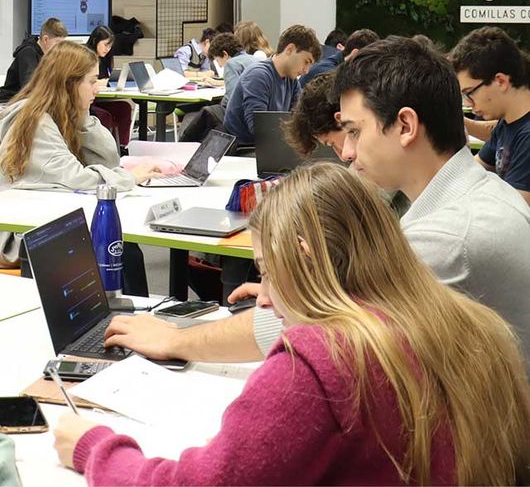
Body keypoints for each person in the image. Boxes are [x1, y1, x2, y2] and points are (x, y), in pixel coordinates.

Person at [55, 165, 530, 486]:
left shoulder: (322, 362)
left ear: (303, 256)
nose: (262, 295)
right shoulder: (470, 325)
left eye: (266, 269)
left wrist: (95, 449)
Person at [104, 36, 530, 369]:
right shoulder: (471, 196)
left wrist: (174, 339)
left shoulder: (447, 237)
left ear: (405, 125)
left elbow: (317, 331)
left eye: (356, 132)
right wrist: (298, 291)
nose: (346, 153)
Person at [0, 41, 160, 286]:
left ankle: (129, 315)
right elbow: (77, 178)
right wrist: (130, 177)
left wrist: (83, 115)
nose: (97, 87)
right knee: (119, 246)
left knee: (121, 244)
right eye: (91, 81)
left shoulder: (60, 114)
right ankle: (127, 317)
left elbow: (109, 159)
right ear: (69, 83)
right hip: (16, 233)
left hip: (40, 217)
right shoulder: (36, 121)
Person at [450, 26, 530, 204]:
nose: (468, 103)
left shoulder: (527, 135)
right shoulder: (507, 123)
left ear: (501, 81)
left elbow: (514, 210)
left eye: (470, 92)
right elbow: (473, 170)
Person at [224, 24, 321, 145]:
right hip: (244, 147)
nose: (306, 70)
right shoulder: (258, 75)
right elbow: (258, 128)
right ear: (290, 49)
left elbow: (299, 117)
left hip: (269, 144)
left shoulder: (292, 80)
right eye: (306, 62)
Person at [85, 25, 133, 150]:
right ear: (95, 40)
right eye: (105, 45)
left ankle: (122, 147)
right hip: (87, 103)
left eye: (110, 46)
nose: (108, 49)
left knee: (125, 108)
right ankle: (104, 150)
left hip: (100, 99)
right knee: (105, 116)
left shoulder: (105, 59)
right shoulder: (84, 56)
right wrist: (102, 82)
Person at [0, 17, 67, 102]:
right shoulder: (28, 53)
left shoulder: (47, 55)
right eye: (58, 43)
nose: (60, 48)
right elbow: (30, 87)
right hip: (10, 102)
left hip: (24, 102)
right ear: (45, 39)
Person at [300, 28, 379, 87]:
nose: (371, 68)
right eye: (369, 62)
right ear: (355, 54)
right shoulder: (330, 75)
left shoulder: (333, 66)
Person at [208, 33, 255, 107]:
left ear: (225, 54)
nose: (220, 65)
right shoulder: (255, 59)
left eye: (217, 60)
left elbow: (231, 99)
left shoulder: (231, 64)